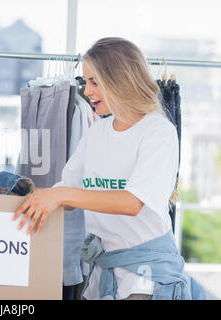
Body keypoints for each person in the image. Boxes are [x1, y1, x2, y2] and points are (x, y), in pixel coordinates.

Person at [12, 37, 205, 300]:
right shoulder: (97, 132)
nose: (87, 91)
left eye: (95, 82)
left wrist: (59, 196)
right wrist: (24, 200)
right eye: (86, 81)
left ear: (120, 79)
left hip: (146, 277)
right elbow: (66, 193)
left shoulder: (159, 133)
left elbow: (131, 202)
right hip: (105, 272)